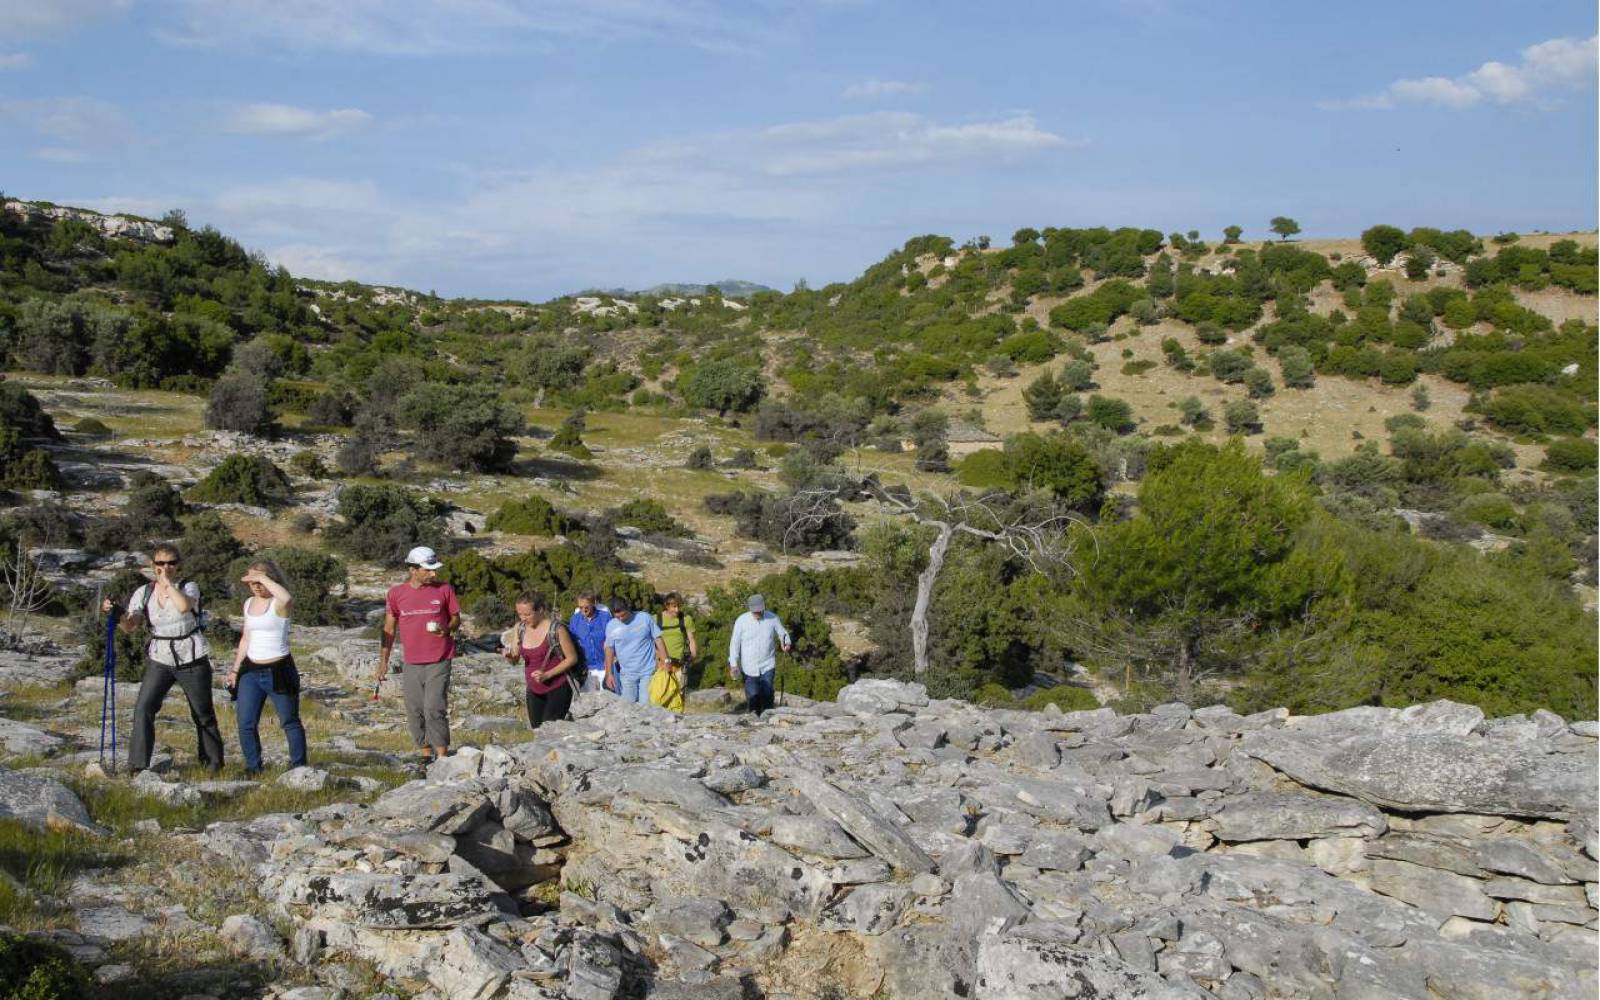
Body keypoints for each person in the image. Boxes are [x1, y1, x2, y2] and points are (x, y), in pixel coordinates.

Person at [102, 543, 225, 773]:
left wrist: (167, 584)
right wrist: (116, 613)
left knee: (202, 713)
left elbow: (183, 607)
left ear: (178, 565)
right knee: (144, 708)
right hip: (160, 656)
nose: (165, 567)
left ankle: (213, 763)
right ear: (153, 565)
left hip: (192, 656)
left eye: (170, 563)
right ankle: (138, 765)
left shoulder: (189, 587)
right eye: (160, 563)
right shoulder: (144, 592)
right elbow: (131, 626)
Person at [375, 546, 460, 764]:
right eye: (428, 570)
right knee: (414, 709)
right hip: (411, 661)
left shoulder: (444, 589)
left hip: (440, 657)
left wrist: (448, 629)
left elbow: (456, 618)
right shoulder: (396, 594)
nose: (433, 574)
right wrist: (383, 661)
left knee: (434, 706)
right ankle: (425, 753)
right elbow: (389, 628)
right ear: (413, 569)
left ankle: (441, 757)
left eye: (434, 569)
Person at [226, 560, 306, 775]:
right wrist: (235, 669)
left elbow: (287, 597)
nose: (256, 585)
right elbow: (246, 637)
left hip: (279, 670)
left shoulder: (279, 604)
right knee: (246, 722)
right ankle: (253, 767)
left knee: (289, 721)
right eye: (252, 581)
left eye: (260, 581)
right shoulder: (248, 603)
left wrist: (263, 577)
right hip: (251, 671)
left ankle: (299, 767)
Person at [500, 590, 580, 729]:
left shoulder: (557, 629)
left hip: (558, 687)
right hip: (533, 689)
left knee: (550, 733)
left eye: (527, 614)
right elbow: (515, 660)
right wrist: (510, 656)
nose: (523, 618)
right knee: (537, 731)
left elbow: (572, 658)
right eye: (520, 614)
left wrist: (547, 674)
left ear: (541, 610)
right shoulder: (520, 628)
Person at [728, 593, 791, 717]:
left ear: (763, 607)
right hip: (749, 668)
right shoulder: (741, 620)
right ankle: (754, 721)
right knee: (753, 697)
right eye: (755, 611)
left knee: (767, 696)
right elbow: (734, 644)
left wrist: (786, 643)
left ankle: (769, 721)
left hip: (768, 665)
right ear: (750, 609)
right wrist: (734, 664)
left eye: (759, 610)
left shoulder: (772, 618)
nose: (758, 613)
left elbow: (783, 634)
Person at [602, 596, 668, 704]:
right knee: (627, 705)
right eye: (617, 617)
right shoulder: (611, 626)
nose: (621, 619)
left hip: (648, 671)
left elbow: (658, 639)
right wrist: (609, 674)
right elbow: (609, 649)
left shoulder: (644, 618)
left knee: (645, 704)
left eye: (623, 615)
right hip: (627, 674)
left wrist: (666, 660)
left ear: (628, 608)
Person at [568, 592, 612, 693]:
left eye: (586, 606)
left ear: (594, 603)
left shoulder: (605, 617)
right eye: (581, 607)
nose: (584, 610)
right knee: (591, 701)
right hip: (586, 669)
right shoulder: (575, 620)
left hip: (605, 666)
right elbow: (571, 642)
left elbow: (613, 639)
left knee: (607, 699)